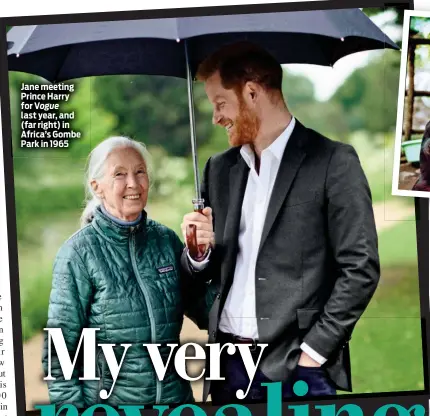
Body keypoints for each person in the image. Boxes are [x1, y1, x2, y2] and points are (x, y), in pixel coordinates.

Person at [181, 42, 380, 404]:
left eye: (220, 103)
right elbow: (204, 275)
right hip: (227, 368)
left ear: (252, 92)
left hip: (298, 369)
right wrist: (198, 254)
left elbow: (360, 267)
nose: (215, 117)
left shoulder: (334, 162)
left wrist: (314, 353)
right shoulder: (218, 169)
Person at [42, 136, 215, 408]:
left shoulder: (166, 241)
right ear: (97, 187)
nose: (133, 183)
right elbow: (59, 352)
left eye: (140, 172)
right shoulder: (78, 253)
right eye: (119, 174)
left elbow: (208, 315)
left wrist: (200, 258)